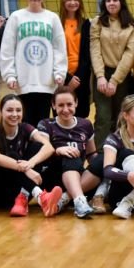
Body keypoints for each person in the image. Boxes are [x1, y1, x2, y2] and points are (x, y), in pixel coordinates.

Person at [0, 0, 67, 126]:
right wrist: (9, 75)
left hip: (46, 81)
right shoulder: (16, 17)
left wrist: (60, 72)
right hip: (23, 80)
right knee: (25, 123)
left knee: (42, 123)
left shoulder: (52, 18)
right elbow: (7, 48)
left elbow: (59, 48)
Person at [0, 93, 59, 218]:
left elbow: (49, 147)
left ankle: (23, 198)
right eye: (9, 110)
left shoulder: (25, 128)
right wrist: (27, 169)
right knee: (11, 155)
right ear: (1, 112)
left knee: (38, 147)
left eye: (18, 110)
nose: (14, 114)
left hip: (20, 188)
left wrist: (31, 163)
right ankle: (41, 196)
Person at [37, 85, 100, 218]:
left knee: (102, 160)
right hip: (53, 180)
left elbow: (91, 154)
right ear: (53, 106)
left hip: (79, 180)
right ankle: (79, 201)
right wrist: (58, 150)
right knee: (71, 154)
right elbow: (42, 152)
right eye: (61, 105)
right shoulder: (46, 124)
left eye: (69, 104)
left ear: (76, 103)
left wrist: (102, 165)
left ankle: (63, 200)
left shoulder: (86, 125)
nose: (65, 109)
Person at [90, 0, 134, 149]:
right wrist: (100, 76)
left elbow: (129, 54)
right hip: (102, 74)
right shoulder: (97, 22)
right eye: (108, 0)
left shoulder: (130, 25)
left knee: (120, 116)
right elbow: (95, 50)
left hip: (121, 76)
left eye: (115, 0)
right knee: (103, 116)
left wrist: (115, 80)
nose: (111, 3)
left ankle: (118, 150)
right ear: (104, 3)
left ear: (121, 2)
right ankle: (99, 153)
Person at [59, 0, 93, 119]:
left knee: (81, 114)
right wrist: (68, 79)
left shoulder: (85, 24)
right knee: (62, 113)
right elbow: (55, 53)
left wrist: (77, 78)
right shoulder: (57, 23)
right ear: (63, 2)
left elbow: (87, 55)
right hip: (61, 76)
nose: (72, 2)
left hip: (81, 78)